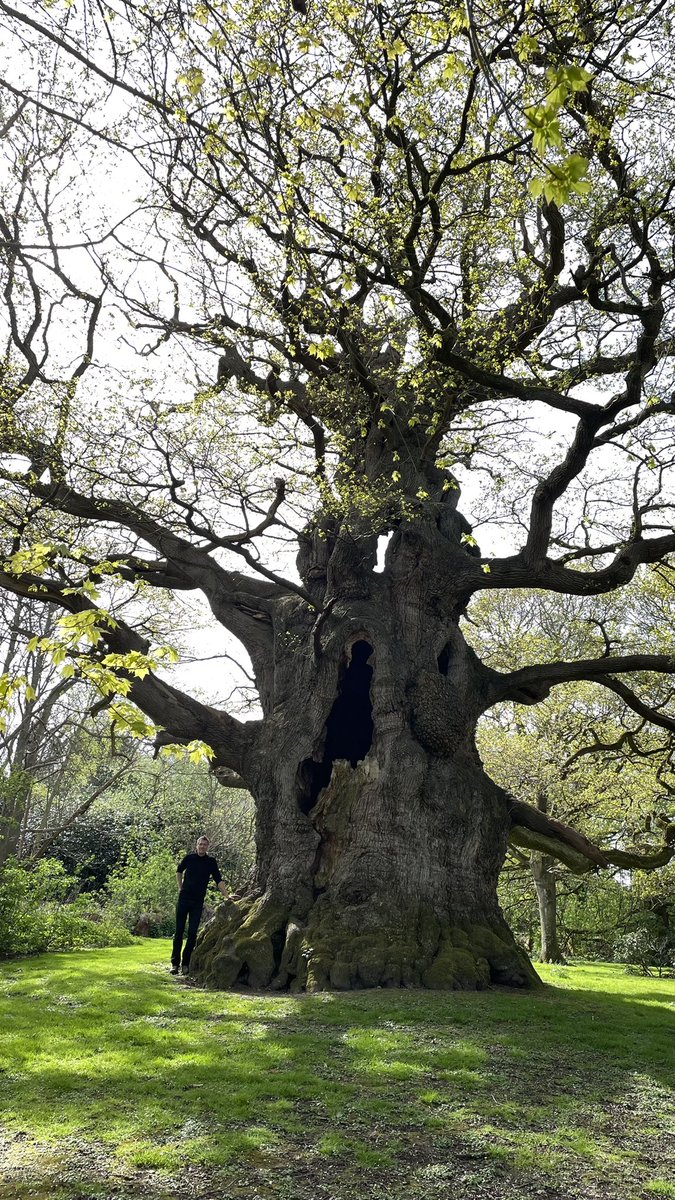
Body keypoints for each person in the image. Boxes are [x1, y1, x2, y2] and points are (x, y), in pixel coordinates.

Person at [171, 835, 227, 975]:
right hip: (184, 899)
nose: (202, 846)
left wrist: (227, 895)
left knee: (192, 933)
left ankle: (185, 964)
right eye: (200, 844)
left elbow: (218, 880)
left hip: (197, 902)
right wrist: (180, 887)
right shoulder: (189, 858)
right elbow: (179, 871)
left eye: (205, 845)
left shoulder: (211, 862)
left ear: (208, 847)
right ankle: (174, 964)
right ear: (197, 845)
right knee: (178, 932)